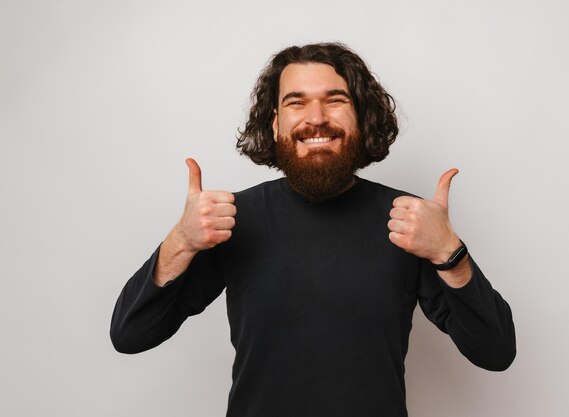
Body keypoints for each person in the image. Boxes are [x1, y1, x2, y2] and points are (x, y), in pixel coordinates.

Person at [110, 42, 516, 417]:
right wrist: (180, 242)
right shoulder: (233, 220)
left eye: (335, 100)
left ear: (360, 115)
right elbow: (131, 335)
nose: (316, 118)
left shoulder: (408, 223)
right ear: (275, 123)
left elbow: (496, 352)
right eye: (296, 102)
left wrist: (449, 251)